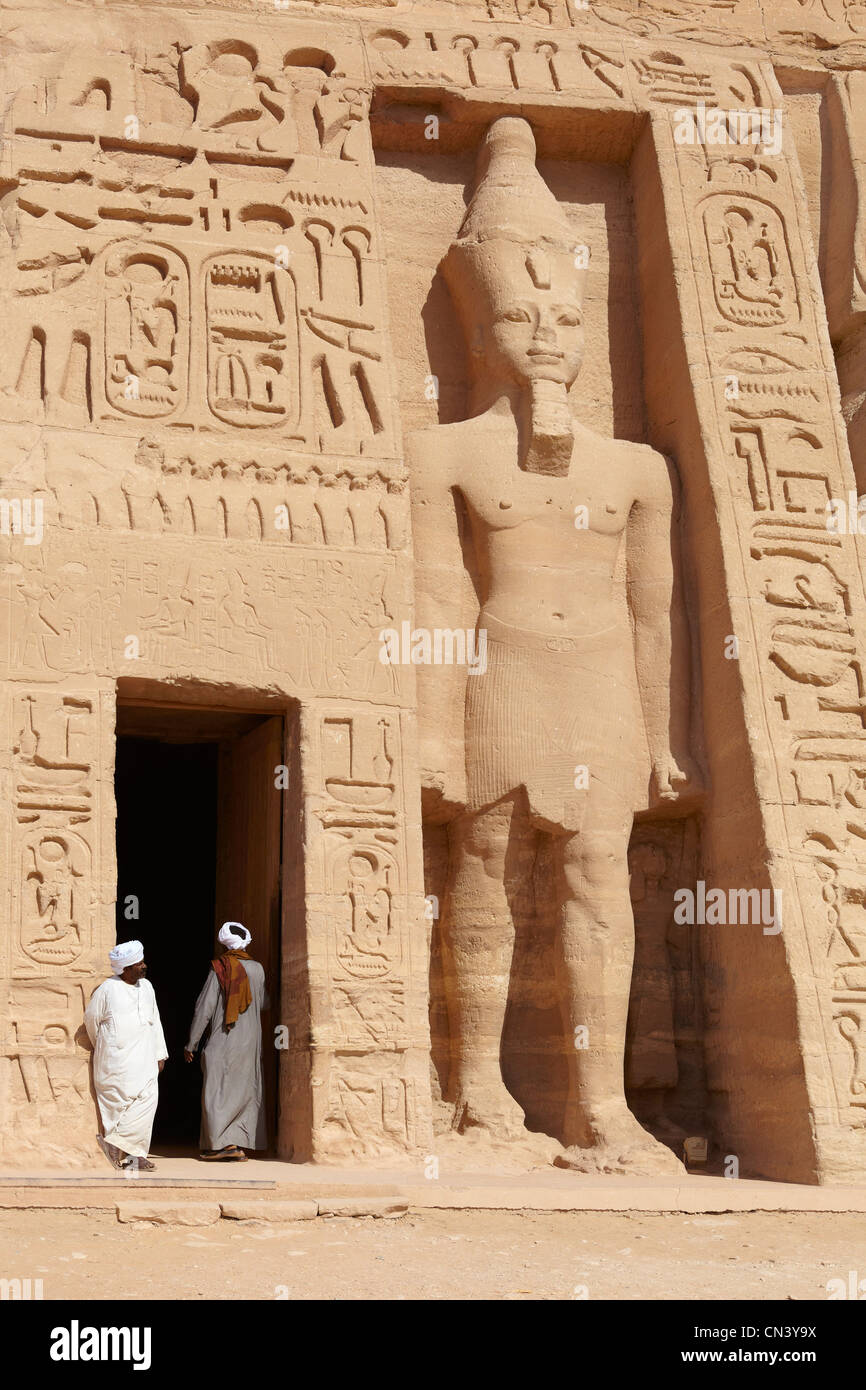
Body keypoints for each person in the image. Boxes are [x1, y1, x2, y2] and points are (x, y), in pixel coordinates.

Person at [410, 116, 701, 1173]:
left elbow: (651, 611)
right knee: (481, 870)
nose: (547, 329)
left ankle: (596, 1104)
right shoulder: (440, 454)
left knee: (597, 880)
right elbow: (439, 601)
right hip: (500, 673)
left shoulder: (634, 470)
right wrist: (434, 734)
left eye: (566, 314)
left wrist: (666, 733)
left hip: (601, 691)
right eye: (524, 311)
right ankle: (480, 1087)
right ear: (484, 321)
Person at [184, 922, 267, 1161]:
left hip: (224, 1038)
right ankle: (233, 1143)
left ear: (224, 941)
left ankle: (217, 1146)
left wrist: (192, 1043)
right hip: (250, 1042)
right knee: (242, 1091)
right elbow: (262, 1003)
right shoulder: (258, 969)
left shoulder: (220, 968)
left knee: (216, 1091)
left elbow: (205, 1009)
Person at [84, 939, 167, 1171]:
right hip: (116, 1061)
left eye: (142, 961)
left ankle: (132, 1154)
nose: (144, 966)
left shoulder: (147, 987)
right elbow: (91, 1020)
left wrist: (160, 1052)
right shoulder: (107, 989)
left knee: (147, 1104)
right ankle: (120, 1149)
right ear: (126, 968)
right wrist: (104, 1045)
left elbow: (155, 1020)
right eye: (138, 963)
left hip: (145, 1058)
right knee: (120, 1105)